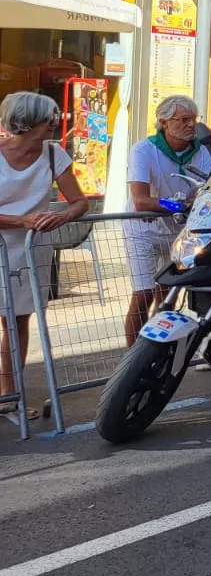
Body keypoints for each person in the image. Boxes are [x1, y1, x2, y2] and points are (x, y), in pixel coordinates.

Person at [0, 92, 88, 421]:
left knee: (17, 319)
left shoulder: (54, 155)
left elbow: (79, 202)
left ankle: (9, 394)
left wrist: (61, 216)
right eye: (48, 118)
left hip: (31, 247)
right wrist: (20, 220)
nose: (55, 123)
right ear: (26, 121)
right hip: (7, 240)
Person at [125, 94, 211, 345]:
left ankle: (154, 349)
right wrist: (174, 204)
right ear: (164, 122)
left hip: (178, 229)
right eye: (183, 119)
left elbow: (210, 189)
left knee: (168, 293)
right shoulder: (144, 149)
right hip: (142, 227)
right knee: (143, 293)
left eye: (193, 120)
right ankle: (131, 356)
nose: (190, 125)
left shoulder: (203, 149)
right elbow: (140, 200)